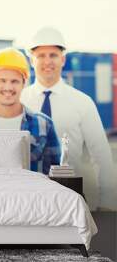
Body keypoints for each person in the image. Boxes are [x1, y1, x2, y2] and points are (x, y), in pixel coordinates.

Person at [21, 26, 117, 210]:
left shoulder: (82, 102)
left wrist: (106, 204)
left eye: (53, 55)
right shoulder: (20, 101)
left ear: (63, 59)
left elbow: (101, 155)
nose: (47, 61)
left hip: (71, 199)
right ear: (32, 60)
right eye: (41, 55)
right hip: (28, 201)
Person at [0, 47, 61, 174]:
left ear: (23, 84)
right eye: (2, 81)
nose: (8, 87)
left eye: (14, 81)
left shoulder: (43, 125)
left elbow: (55, 178)